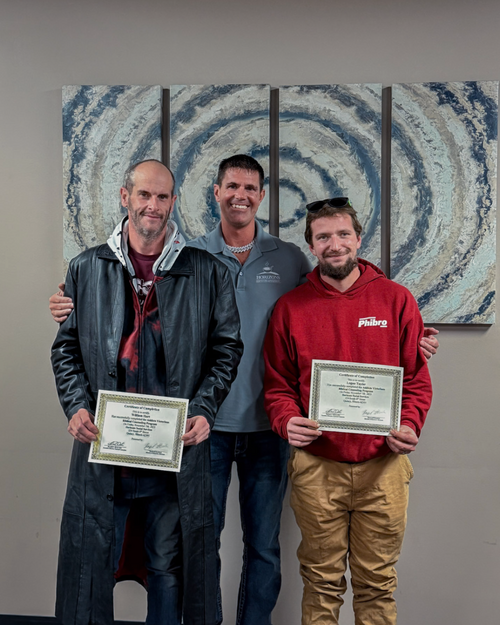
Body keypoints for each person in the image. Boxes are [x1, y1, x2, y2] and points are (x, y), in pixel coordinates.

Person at [50, 159, 439, 625]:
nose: (241, 194)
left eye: (251, 187)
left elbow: (335, 306)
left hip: (267, 430)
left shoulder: (290, 260)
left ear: (261, 195)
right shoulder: (189, 255)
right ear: (215, 192)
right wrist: (71, 300)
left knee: (263, 547)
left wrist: (412, 337)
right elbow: (103, 325)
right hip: (200, 431)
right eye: (232, 185)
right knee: (198, 544)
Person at [51, 159, 243, 625]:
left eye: (161, 197)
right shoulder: (86, 267)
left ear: (173, 202)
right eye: (143, 195)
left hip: (172, 453)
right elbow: (66, 349)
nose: (152, 206)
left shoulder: (207, 271)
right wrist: (75, 405)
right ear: (125, 197)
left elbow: (227, 350)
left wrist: (205, 408)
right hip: (106, 449)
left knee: (168, 568)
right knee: (93, 567)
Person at [263, 197, 433, 625]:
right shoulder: (290, 308)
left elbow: (415, 380)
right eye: (323, 237)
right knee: (321, 584)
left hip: (384, 466)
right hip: (317, 468)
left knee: (377, 585)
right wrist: (286, 420)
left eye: (343, 234)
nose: (334, 244)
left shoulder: (396, 300)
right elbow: (278, 385)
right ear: (312, 246)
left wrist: (409, 423)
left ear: (358, 239)